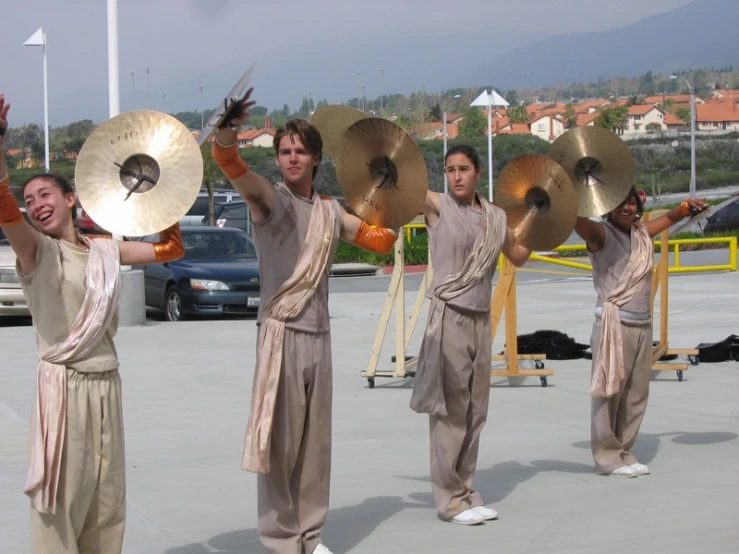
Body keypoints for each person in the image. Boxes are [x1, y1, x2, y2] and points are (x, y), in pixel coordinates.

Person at [210, 91, 398, 554]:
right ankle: (280, 540)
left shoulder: (332, 212)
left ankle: (310, 537)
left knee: (315, 448)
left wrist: (393, 190)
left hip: (320, 335)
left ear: (315, 158)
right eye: (284, 151)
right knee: (281, 447)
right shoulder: (268, 201)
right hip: (282, 335)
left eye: (299, 151)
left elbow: (379, 239)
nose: (291, 158)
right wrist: (227, 129)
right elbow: (229, 163)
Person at [0, 94, 186, 553]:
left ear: (70, 197)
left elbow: (170, 250)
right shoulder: (36, 252)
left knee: (106, 505)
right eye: (30, 200)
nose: (36, 204)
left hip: (107, 385)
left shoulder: (105, 249)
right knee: (61, 503)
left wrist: (168, 191)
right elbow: (3, 207)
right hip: (63, 389)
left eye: (45, 194)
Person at [409, 144, 532, 526]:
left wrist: (539, 217)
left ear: (478, 172)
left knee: (476, 411)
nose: (456, 176)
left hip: (480, 319)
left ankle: (465, 489)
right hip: (449, 317)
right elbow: (400, 194)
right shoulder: (437, 206)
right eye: (450, 169)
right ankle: (449, 499)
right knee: (450, 410)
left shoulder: (495, 216)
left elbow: (519, 254)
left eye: (463, 168)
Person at [574, 187, 707, 477]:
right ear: (608, 206)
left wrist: (687, 207)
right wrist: (566, 200)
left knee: (636, 394)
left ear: (638, 206)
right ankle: (607, 457)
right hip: (614, 325)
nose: (626, 207)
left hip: (642, 324)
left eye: (631, 202)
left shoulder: (641, 234)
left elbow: (671, 217)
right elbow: (578, 223)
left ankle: (623, 449)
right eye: (619, 202)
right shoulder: (602, 235)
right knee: (609, 391)